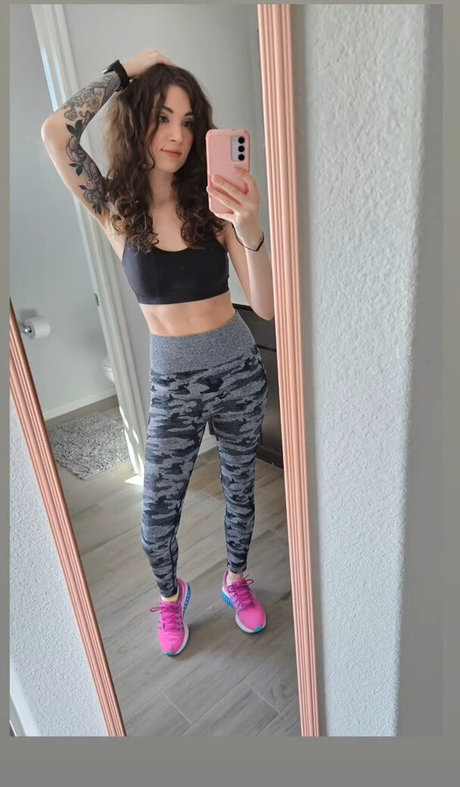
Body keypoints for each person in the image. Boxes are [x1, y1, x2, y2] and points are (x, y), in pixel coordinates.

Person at [41, 49, 274, 657]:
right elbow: (57, 134)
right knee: (155, 518)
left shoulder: (213, 204)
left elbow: (267, 305)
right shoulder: (116, 209)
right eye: (163, 117)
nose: (177, 134)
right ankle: (172, 597)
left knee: (240, 490)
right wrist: (123, 72)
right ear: (138, 119)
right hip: (174, 382)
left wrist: (250, 224)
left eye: (188, 121)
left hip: (238, 368)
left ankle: (236, 580)